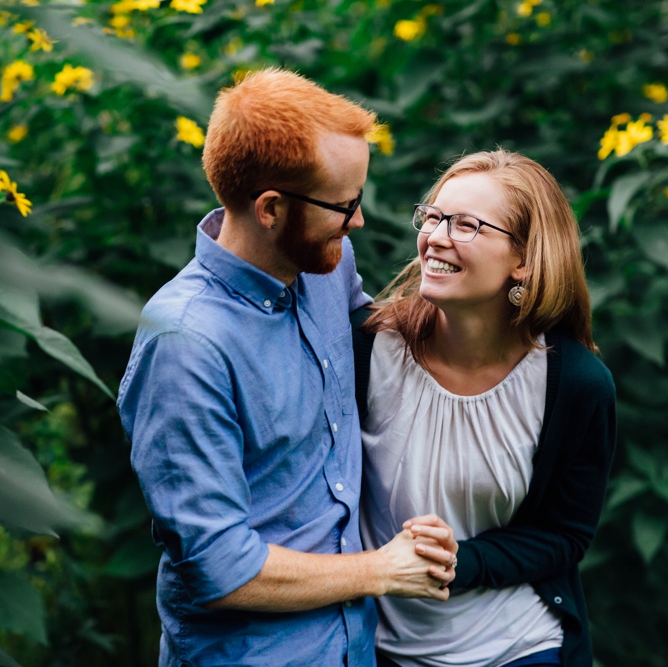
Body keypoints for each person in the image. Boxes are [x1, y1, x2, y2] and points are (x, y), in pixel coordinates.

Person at [118, 68, 459, 667]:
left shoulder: (326, 264)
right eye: (344, 204)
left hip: (354, 647)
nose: (357, 221)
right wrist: (382, 569)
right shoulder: (186, 344)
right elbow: (221, 572)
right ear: (270, 209)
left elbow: (386, 348)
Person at [355, 149, 617, 667]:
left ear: (524, 259)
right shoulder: (367, 350)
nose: (436, 236)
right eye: (432, 217)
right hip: (373, 646)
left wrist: (459, 559)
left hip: (516, 646)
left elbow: (564, 535)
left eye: (466, 225)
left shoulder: (576, 387)